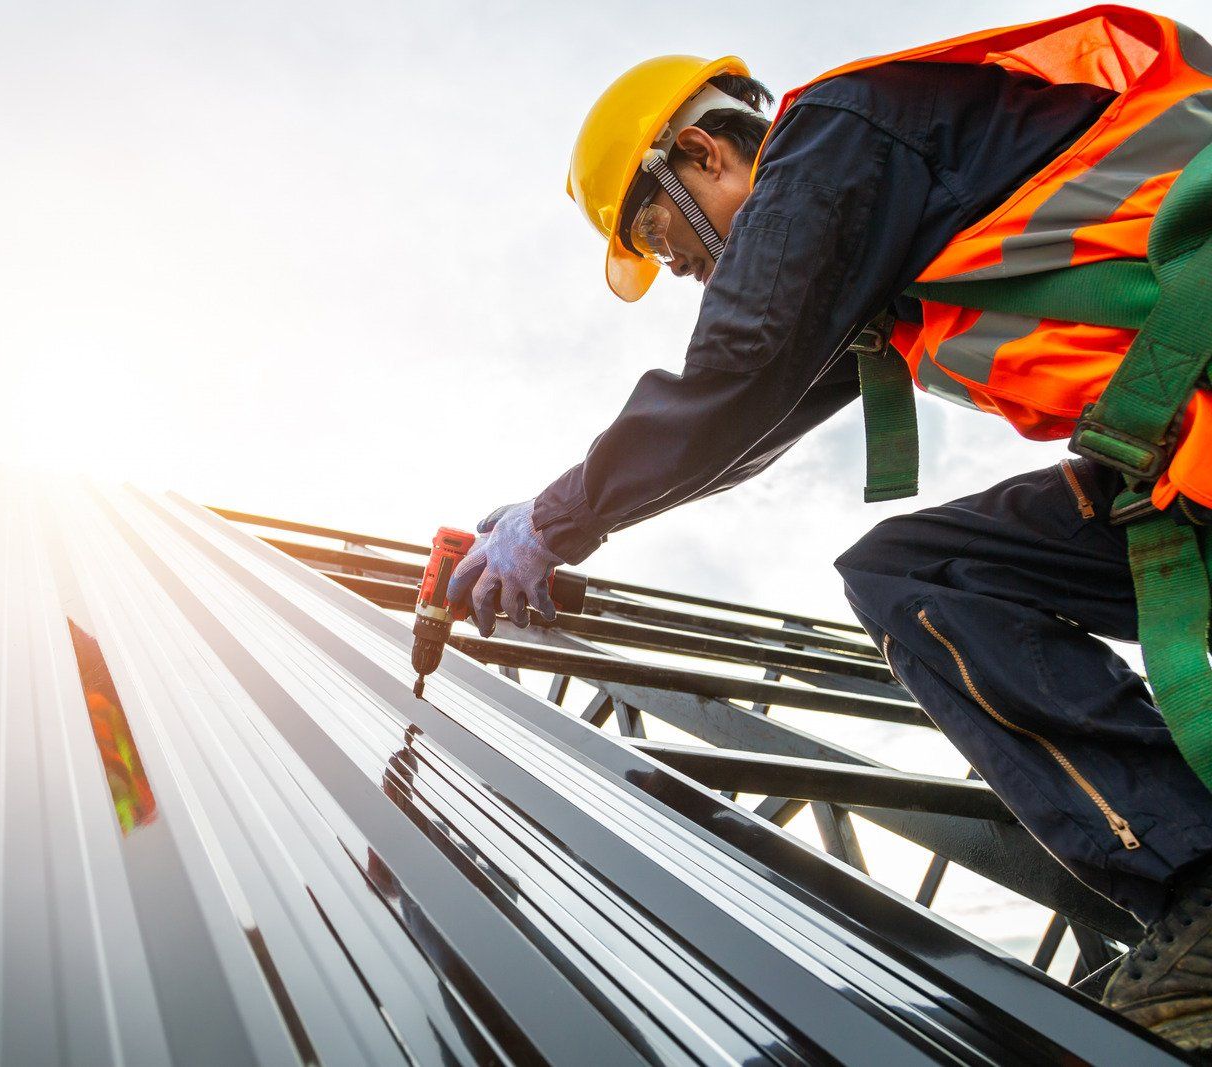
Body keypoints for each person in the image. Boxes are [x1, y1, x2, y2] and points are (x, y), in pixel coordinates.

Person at [445, 7, 1212, 1050]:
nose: (697, 279)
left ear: (702, 153)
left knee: (918, 570)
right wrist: (559, 515)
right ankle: (1196, 894)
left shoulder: (836, 135)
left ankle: (1201, 890)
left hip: (1194, 433)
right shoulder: (884, 214)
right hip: (1187, 455)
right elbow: (748, 417)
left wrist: (556, 516)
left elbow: (742, 365)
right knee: (919, 570)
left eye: (673, 248)